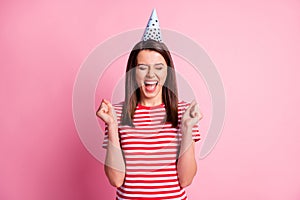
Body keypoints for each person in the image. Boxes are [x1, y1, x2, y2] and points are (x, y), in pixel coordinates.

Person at [96, 9, 203, 200]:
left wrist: (187, 128)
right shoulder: (117, 113)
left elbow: (185, 180)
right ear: (132, 72)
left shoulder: (185, 113)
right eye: (142, 67)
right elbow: (116, 179)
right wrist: (112, 125)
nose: (150, 75)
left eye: (159, 68)